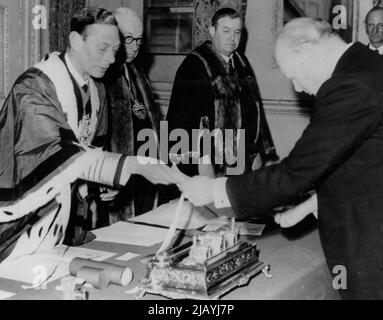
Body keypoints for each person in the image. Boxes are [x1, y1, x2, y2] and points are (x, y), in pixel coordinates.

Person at [180, 17, 383, 299]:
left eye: (293, 76)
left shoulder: (350, 85)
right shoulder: (364, 65)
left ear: (307, 53)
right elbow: (359, 164)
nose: (298, 88)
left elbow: (296, 171)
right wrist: (307, 206)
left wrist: (216, 189)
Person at [0, 7, 182, 265]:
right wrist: (132, 165)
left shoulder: (96, 89)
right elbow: (59, 154)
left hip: (60, 221)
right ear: (75, 40)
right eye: (102, 48)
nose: (111, 58)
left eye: (115, 50)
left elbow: (91, 149)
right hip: (18, 222)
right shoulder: (33, 88)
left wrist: (98, 185)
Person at [166, 7, 277, 180]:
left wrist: (257, 152)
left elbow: (254, 111)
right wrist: (202, 164)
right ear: (212, 31)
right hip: (208, 165)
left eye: (237, 32)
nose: (232, 38)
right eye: (226, 31)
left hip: (241, 160)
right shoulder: (194, 65)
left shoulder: (241, 62)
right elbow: (185, 123)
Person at [103, 8, 161, 218]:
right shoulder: (103, 75)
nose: (135, 47)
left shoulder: (137, 72)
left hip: (144, 170)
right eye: (129, 39)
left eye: (139, 40)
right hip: (116, 173)